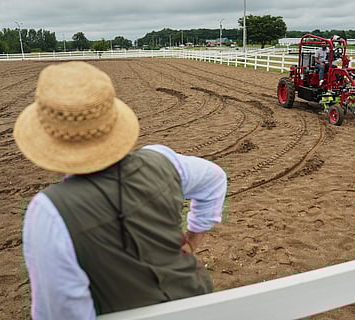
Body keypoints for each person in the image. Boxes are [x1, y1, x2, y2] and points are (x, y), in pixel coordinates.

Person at [14, 61, 228, 319]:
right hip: (197, 304)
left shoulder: (50, 210)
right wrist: (192, 242)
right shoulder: (162, 160)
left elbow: (63, 309)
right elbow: (214, 178)